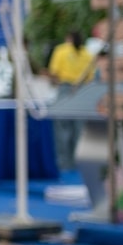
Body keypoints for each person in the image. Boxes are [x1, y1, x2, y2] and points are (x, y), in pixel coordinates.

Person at [48, 29, 96, 170]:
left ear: (68, 37)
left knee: (62, 128)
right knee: (80, 129)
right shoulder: (87, 53)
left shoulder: (61, 50)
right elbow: (91, 77)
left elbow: (54, 73)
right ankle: (79, 162)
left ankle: (64, 163)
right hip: (82, 90)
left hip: (65, 89)